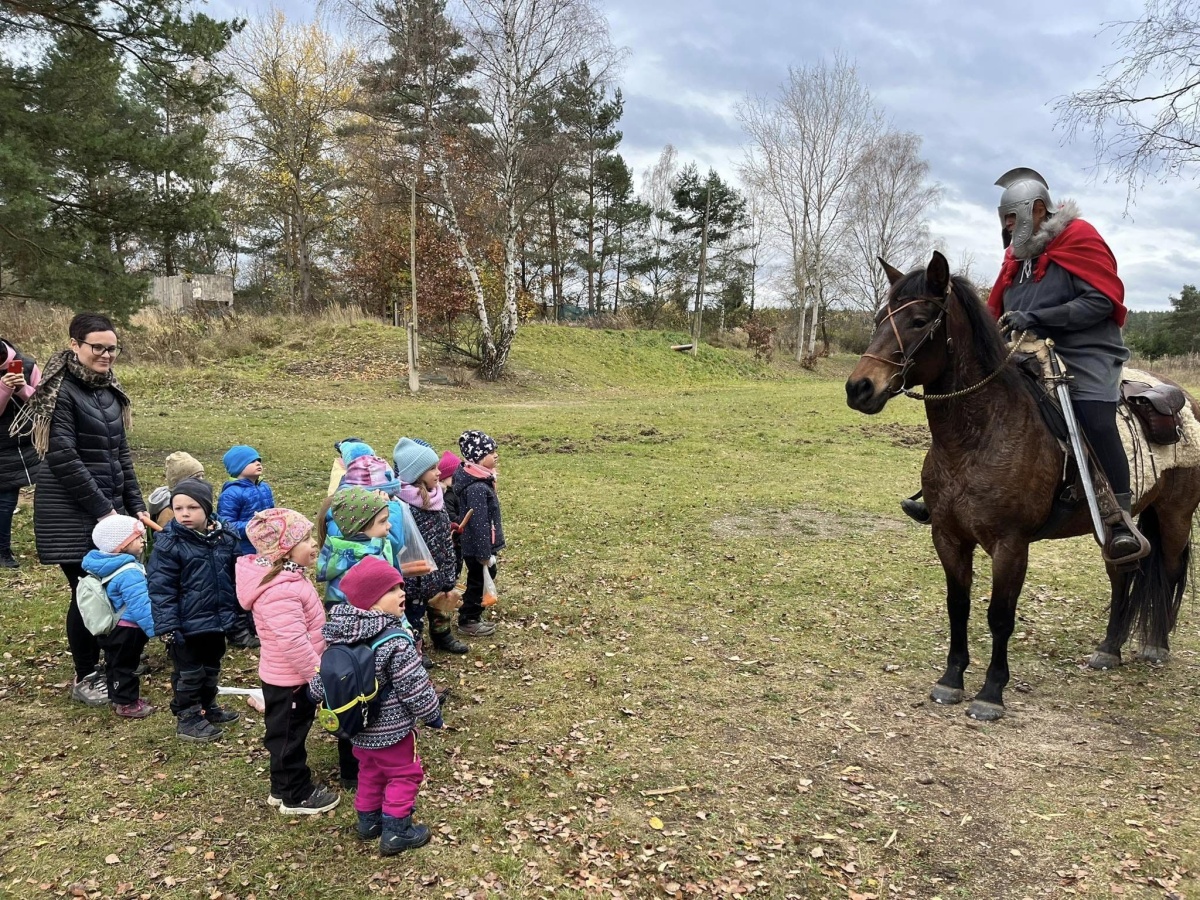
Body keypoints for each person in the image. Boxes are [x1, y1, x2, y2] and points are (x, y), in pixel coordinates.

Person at [900, 168, 1145, 562]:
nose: (1007, 226)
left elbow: (1102, 301)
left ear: (1037, 209)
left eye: (1012, 217)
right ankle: (944, 491)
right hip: (1024, 350)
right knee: (975, 403)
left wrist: (1038, 317)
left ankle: (1119, 518)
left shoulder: (1080, 237)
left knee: (1096, 419)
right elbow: (994, 307)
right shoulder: (1016, 257)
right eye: (1005, 219)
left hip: (1085, 352)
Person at [14, 313, 147, 706]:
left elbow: (120, 455)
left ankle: (113, 657)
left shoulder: (109, 390)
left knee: (111, 585)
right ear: (75, 345)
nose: (106, 355)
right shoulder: (60, 391)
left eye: (112, 348)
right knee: (86, 591)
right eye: (97, 347)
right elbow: (63, 457)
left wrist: (135, 506)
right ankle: (86, 675)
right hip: (69, 512)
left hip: (108, 510)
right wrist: (105, 510)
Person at [309, 556, 442, 856]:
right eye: (391, 589)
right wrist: (433, 714)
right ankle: (397, 831)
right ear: (371, 600)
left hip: (358, 728)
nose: (402, 592)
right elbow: (415, 687)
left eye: (400, 586)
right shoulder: (395, 641)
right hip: (393, 731)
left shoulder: (339, 634)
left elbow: (324, 678)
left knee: (369, 771)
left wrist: (312, 693)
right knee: (403, 774)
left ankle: (368, 822)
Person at [236, 508, 339, 815]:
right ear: (284, 550)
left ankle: (280, 788)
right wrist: (316, 675)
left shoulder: (289, 577)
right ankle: (296, 794)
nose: (314, 543)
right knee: (288, 737)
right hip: (291, 678)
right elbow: (294, 642)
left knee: (287, 732)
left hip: (293, 675)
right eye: (304, 539)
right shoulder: (280, 590)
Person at [148, 479, 242, 742]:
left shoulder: (226, 538)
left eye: (192, 507)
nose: (185, 514)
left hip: (216, 619)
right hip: (185, 625)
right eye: (178, 508)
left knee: (211, 666)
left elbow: (237, 577)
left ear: (207, 508)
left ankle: (207, 706)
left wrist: (239, 614)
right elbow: (160, 588)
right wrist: (168, 626)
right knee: (188, 673)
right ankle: (188, 717)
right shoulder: (169, 544)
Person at [394, 438, 467, 656]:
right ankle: (416, 649)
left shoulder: (438, 497)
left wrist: (449, 571)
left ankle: (442, 636)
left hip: (440, 567)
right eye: (432, 468)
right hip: (416, 576)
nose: (439, 472)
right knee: (413, 613)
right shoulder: (403, 504)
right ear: (417, 473)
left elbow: (444, 535)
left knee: (440, 606)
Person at [83, 515, 157, 718]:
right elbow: (141, 605)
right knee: (126, 666)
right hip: (128, 629)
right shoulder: (129, 573)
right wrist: (156, 628)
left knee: (115, 664)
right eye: (137, 537)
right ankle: (127, 703)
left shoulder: (107, 564)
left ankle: (117, 697)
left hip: (113, 626)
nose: (143, 541)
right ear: (122, 545)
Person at [217, 444, 271, 648]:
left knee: (262, 586)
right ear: (238, 467)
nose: (258, 463)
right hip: (242, 550)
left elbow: (272, 512)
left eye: (259, 460)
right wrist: (254, 526)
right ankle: (239, 632)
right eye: (251, 461)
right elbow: (226, 524)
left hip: (264, 549)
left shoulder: (264, 488)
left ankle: (257, 625)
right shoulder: (232, 494)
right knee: (242, 590)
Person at [453, 431, 503, 637]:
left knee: (484, 576)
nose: (495, 455)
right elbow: (479, 522)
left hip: (482, 544)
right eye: (490, 452)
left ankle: (474, 614)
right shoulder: (476, 488)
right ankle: (468, 619)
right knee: (478, 580)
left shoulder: (482, 480)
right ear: (478, 457)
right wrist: (484, 553)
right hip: (477, 546)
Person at [317, 484, 396, 608]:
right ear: (359, 528)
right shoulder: (360, 562)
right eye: (382, 521)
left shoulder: (374, 547)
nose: (389, 525)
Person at [0, 338, 41, 568]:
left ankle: (51, 544)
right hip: (3, 447)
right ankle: (2, 551)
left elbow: (43, 403)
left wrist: (22, 388)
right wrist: (5, 388)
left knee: (48, 494)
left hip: (30, 442)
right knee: (5, 501)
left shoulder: (27, 365)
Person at [147, 452, 206, 529]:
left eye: (202, 476)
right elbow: (165, 534)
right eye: (196, 477)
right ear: (181, 481)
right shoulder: (169, 511)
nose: (201, 481)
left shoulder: (189, 499)